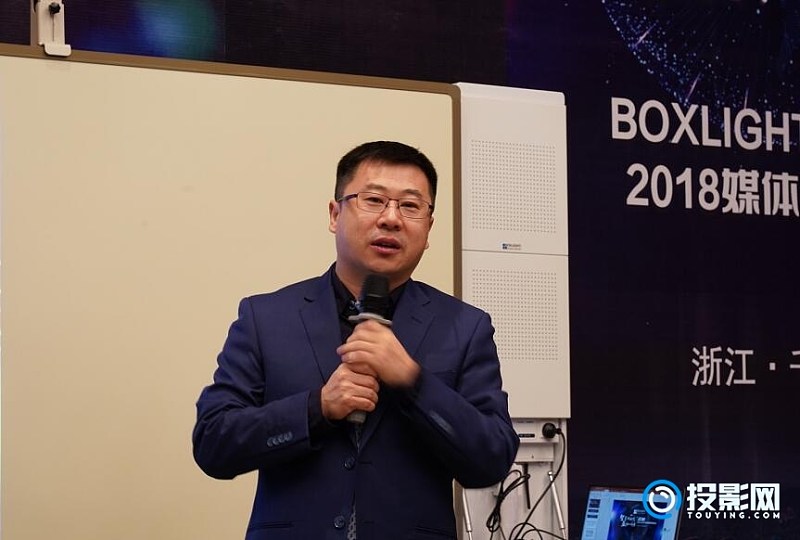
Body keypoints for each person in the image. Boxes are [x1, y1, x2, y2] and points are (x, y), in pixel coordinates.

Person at [193, 140, 519, 539]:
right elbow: (213, 443)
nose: (391, 219)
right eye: (374, 200)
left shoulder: (465, 327)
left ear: (428, 229)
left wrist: (413, 382)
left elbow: (491, 460)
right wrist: (317, 408)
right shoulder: (266, 317)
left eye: (410, 206)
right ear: (335, 214)